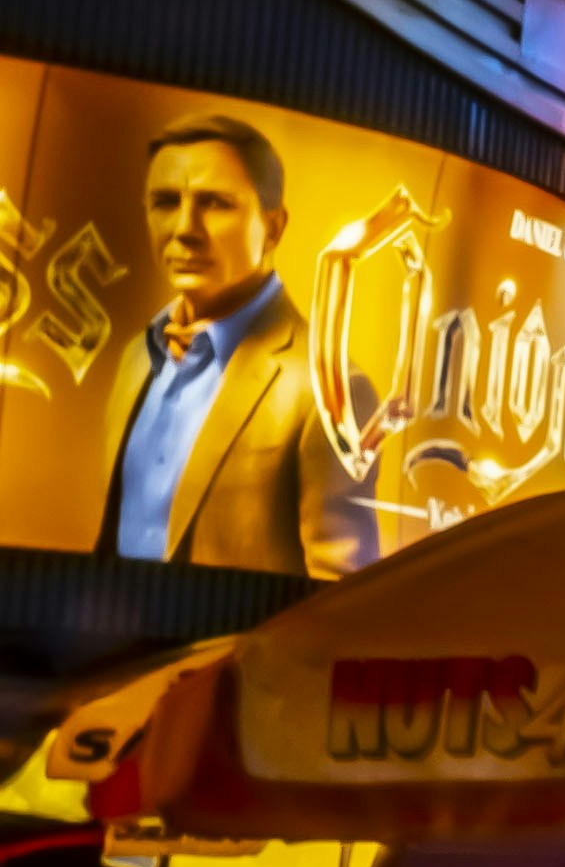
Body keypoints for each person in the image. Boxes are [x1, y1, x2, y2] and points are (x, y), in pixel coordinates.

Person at [96, 114, 370, 575]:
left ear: (274, 227)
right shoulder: (136, 358)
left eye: (215, 203)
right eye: (165, 202)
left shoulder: (331, 389)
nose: (184, 228)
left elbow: (343, 594)